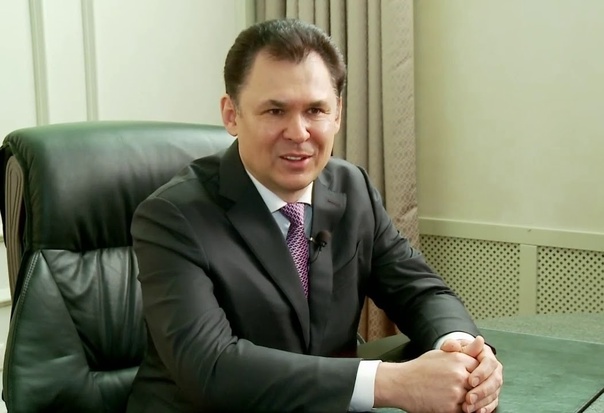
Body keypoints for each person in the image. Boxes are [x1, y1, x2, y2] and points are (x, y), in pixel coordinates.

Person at [127, 19, 503, 413]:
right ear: (231, 115)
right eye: (275, 110)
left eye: (315, 110)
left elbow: (420, 291)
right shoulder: (172, 217)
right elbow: (211, 368)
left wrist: (462, 352)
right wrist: (391, 383)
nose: (299, 132)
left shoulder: (352, 187)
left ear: (337, 114)